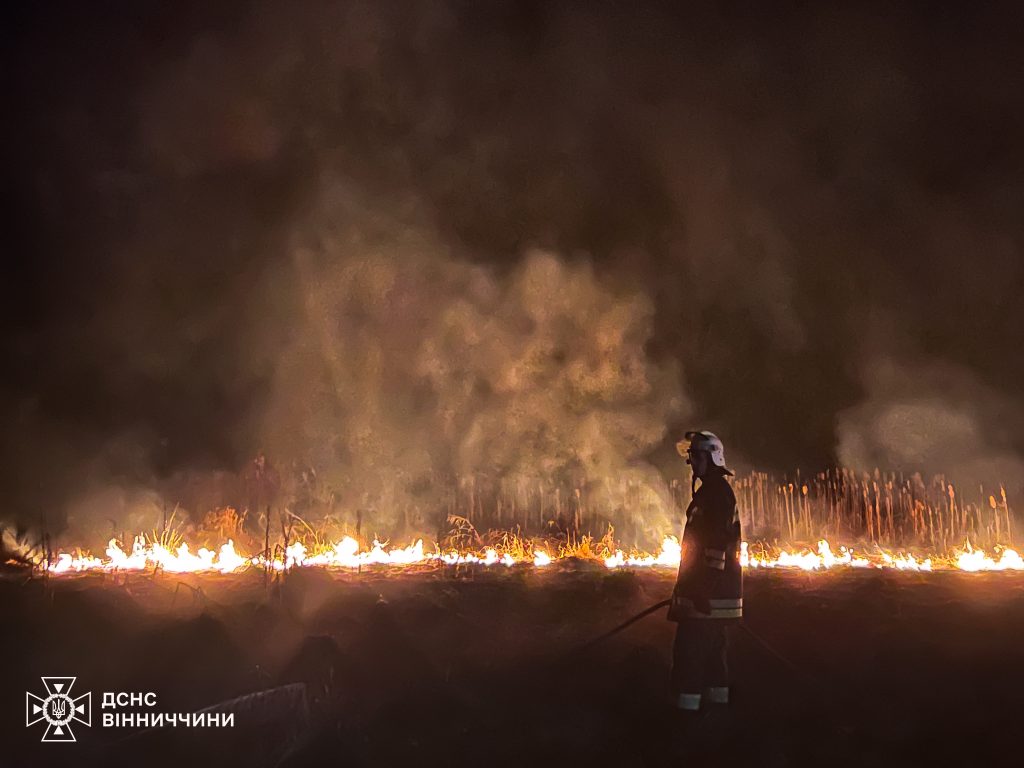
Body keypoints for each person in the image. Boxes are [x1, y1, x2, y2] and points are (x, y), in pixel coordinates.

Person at [668, 430, 743, 718]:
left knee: (689, 656)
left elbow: (715, 547)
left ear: (713, 457)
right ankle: (717, 715)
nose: (692, 463)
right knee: (713, 658)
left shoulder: (716, 495)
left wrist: (703, 590)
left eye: (697, 456)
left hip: (707, 598)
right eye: (691, 456)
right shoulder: (710, 492)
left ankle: (686, 718)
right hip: (710, 597)